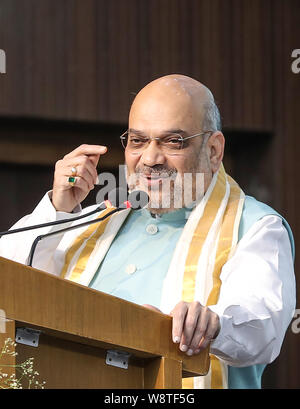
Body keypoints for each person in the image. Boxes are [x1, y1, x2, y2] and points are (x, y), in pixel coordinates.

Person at [0, 74, 296, 389]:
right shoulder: (96, 219)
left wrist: (214, 324)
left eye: (173, 141)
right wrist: (59, 207)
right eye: (138, 141)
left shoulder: (255, 225)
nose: (151, 159)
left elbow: (264, 329)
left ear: (213, 150)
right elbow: (10, 284)